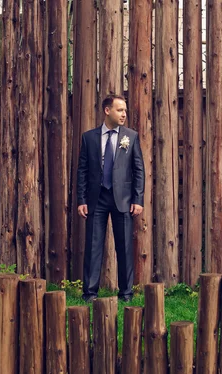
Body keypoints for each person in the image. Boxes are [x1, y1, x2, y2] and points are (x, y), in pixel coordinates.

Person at [77, 94, 145, 303]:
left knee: (124, 246)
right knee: (93, 245)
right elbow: (82, 170)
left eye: (125, 110)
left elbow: (138, 169)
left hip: (122, 199)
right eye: (119, 110)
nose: (124, 114)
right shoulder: (89, 138)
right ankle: (90, 293)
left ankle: (126, 293)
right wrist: (81, 199)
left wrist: (138, 199)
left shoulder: (130, 137)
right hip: (96, 199)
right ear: (107, 111)